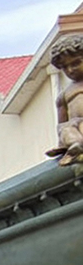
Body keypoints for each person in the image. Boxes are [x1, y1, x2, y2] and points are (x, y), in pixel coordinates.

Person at [47, 33, 83, 166]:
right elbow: (61, 122)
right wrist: (61, 143)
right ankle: (75, 147)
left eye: (75, 63)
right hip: (73, 126)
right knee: (66, 129)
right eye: (64, 67)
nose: (70, 70)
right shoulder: (64, 95)